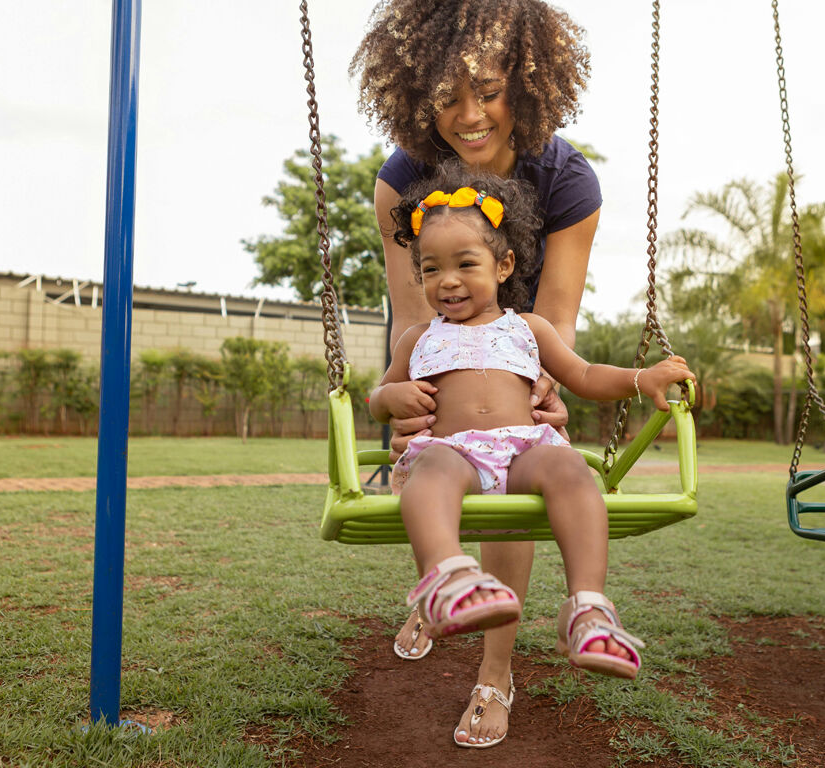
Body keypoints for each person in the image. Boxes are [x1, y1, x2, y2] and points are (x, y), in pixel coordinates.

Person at [369, 164, 695, 748]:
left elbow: (587, 374)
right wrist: (390, 396)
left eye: (465, 264)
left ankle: (589, 609)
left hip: (524, 449)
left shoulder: (529, 328)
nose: (447, 281)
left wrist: (642, 376)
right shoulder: (416, 340)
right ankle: (448, 577)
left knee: (571, 467)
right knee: (429, 471)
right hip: (452, 451)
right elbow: (379, 397)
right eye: (431, 268)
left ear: (504, 266)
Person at [350, 0, 605, 748]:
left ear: (523, 87)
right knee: (434, 456)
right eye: (446, 96)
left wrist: (544, 388)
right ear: (417, 95)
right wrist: (410, 393)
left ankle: (496, 674)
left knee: (518, 462)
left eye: (488, 90)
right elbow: (411, 314)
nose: (468, 115)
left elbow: (553, 320)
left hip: (521, 333)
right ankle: (446, 577)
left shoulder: (566, 181)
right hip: (439, 338)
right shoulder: (403, 180)